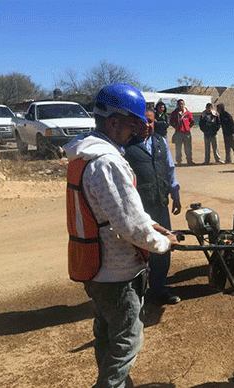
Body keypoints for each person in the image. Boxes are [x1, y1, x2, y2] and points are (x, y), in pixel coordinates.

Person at [64, 83, 179, 388]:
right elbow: (128, 224)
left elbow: (118, 212)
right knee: (127, 342)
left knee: (106, 336)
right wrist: (161, 244)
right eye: (131, 124)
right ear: (113, 121)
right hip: (117, 271)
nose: (135, 132)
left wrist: (155, 226)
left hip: (97, 269)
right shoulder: (107, 162)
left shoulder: (84, 155)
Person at [125, 107, 182, 305]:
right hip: (139, 208)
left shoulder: (160, 141)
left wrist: (175, 194)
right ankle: (135, 295)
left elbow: (169, 168)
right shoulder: (125, 147)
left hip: (160, 203)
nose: (147, 126)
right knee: (138, 249)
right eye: (142, 122)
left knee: (163, 247)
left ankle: (158, 289)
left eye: (150, 121)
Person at [169, 99, 194, 165]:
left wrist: (188, 127)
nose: (181, 105)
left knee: (188, 148)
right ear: (177, 105)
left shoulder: (188, 113)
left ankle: (189, 160)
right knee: (178, 148)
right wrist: (176, 127)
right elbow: (171, 121)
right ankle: (179, 161)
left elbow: (192, 121)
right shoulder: (174, 113)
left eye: (182, 104)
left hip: (186, 133)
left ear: (184, 104)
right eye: (179, 104)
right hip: (178, 133)